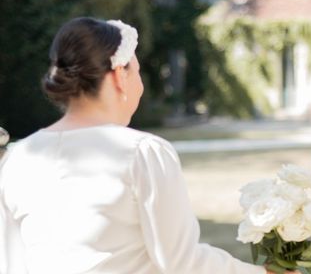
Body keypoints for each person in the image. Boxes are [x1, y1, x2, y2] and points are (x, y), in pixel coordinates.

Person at [0, 17, 280, 274]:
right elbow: (182, 262)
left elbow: (10, 263)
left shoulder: (19, 157)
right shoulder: (141, 153)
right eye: (137, 71)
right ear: (120, 76)